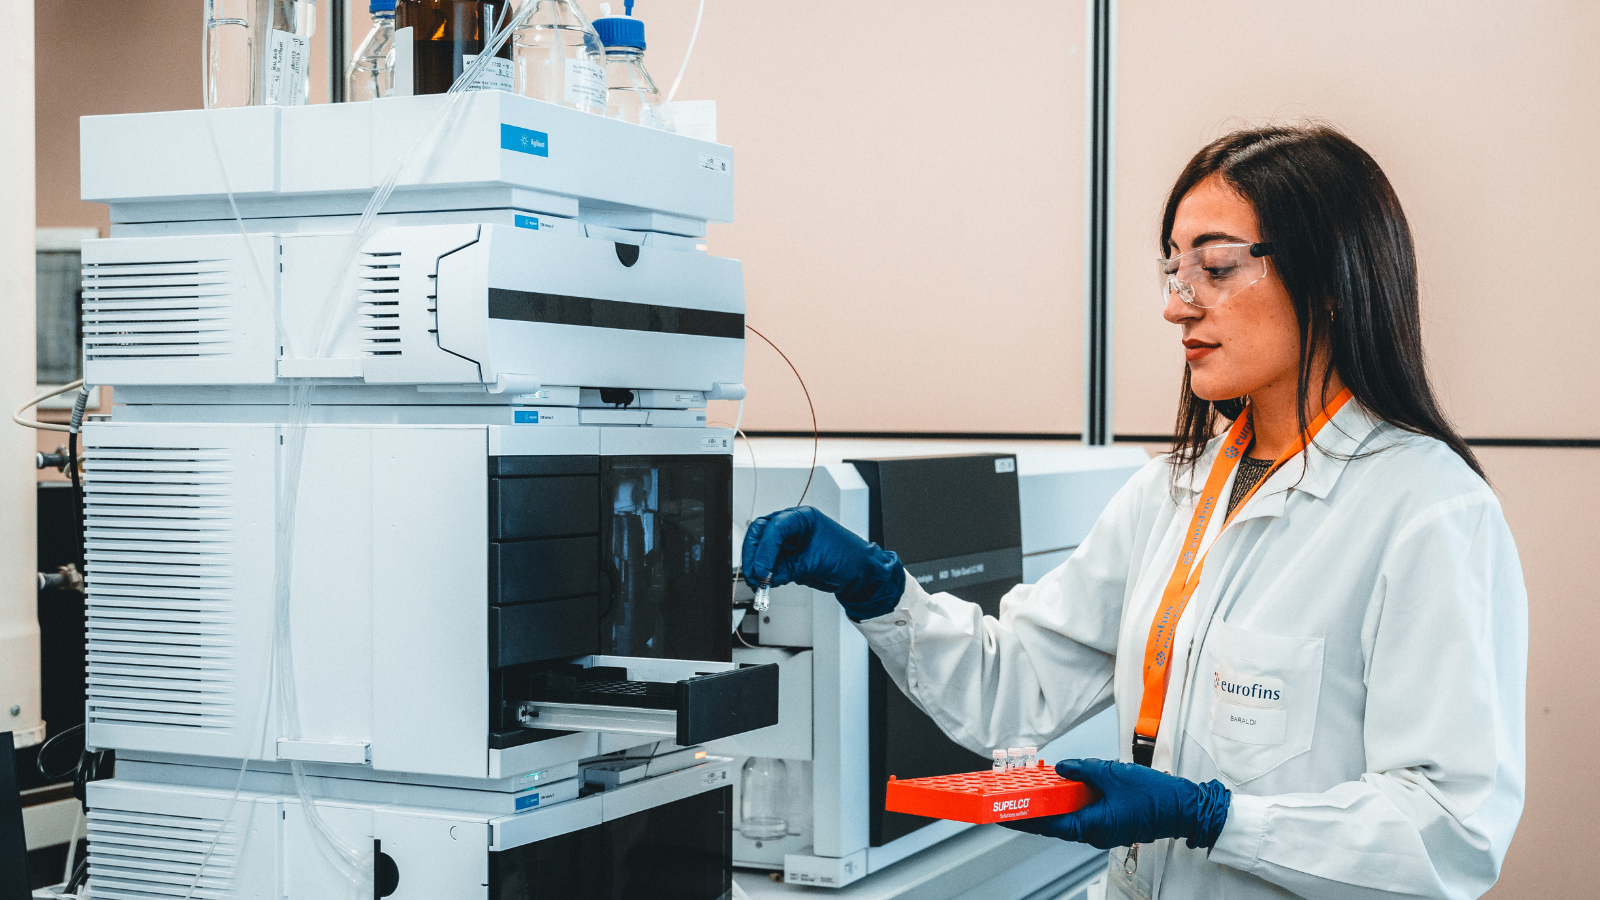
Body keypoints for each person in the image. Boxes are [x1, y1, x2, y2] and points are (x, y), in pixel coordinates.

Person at [741, 125, 1526, 900]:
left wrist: (1214, 818)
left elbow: (1450, 832)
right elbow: (1012, 688)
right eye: (1174, 271)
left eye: (1215, 268)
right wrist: (875, 587)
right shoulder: (1171, 493)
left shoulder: (1428, 511)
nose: (1177, 307)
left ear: (1329, 279)